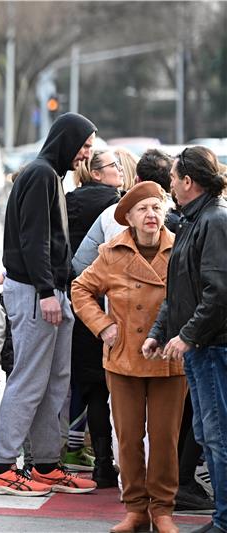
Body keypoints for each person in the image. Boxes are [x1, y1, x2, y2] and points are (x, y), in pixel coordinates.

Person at [0, 112, 98, 496]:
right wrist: (48, 291)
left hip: (48, 292)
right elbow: (34, 240)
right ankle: (1, 468)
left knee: (54, 383)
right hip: (37, 293)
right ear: (67, 141)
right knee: (31, 380)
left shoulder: (48, 175)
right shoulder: (41, 175)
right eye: (83, 145)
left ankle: (46, 466)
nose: (86, 154)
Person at [73, 181, 183, 533]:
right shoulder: (111, 252)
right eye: (142, 209)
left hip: (169, 358)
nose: (151, 215)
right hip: (123, 359)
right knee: (128, 438)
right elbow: (80, 288)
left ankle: (162, 509)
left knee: (165, 439)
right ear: (130, 218)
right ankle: (136, 509)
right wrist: (103, 326)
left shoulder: (180, 248)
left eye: (156, 207)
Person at [142, 146, 227, 533]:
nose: (170, 185)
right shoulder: (196, 220)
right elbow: (180, 291)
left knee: (217, 438)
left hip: (213, 349)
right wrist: (161, 332)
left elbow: (217, 292)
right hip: (201, 348)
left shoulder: (213, 221)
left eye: (174, 178)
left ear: (189, 182)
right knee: (209, 436)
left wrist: (188, 335)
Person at [64, 149, 123, 485]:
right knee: (129, 392)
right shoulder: (118, 207)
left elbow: (74, 262)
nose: (118, 171)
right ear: (98, 173)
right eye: (113, 167)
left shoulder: (69, 202)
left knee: (95, 388)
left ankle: (102, 463)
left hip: (86, 303)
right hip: (122, 305)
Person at [73, 148, 177, 275]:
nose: (150, 215)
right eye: (114, 165)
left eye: (156, 208)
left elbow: (80, 268)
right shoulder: (117, 209)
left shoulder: (111, 212)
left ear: (137, 180)